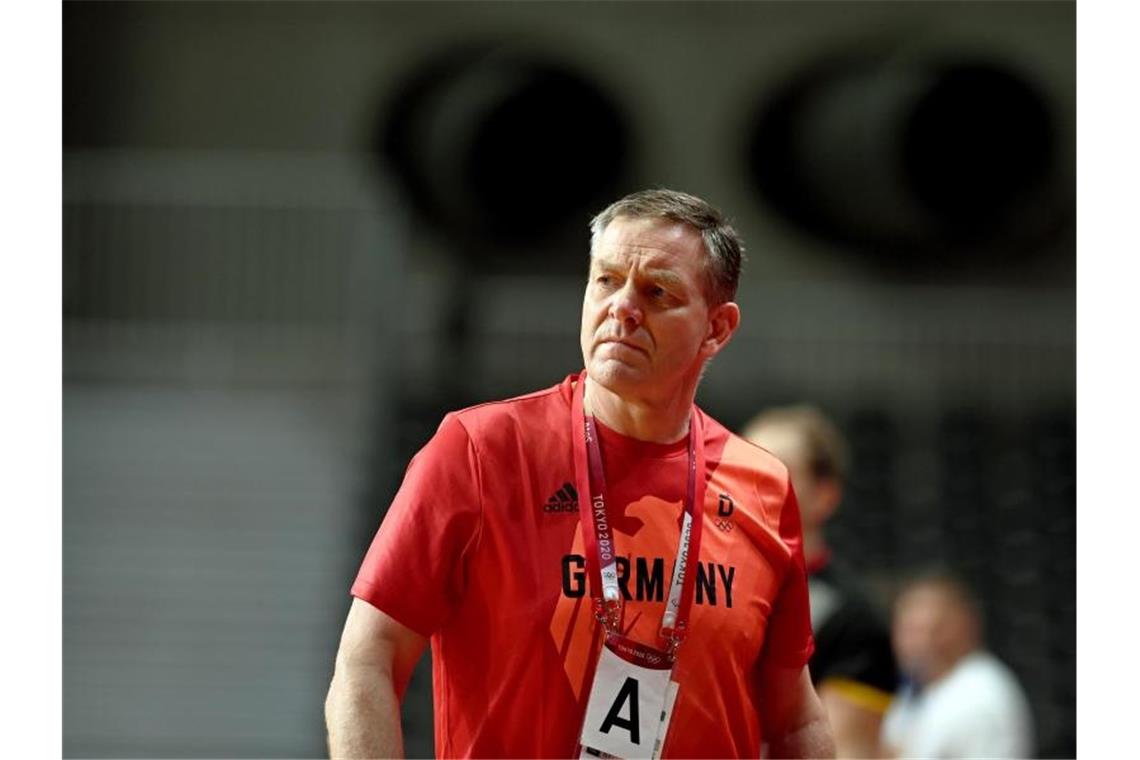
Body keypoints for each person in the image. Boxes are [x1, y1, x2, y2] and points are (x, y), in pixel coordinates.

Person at [324, 189, 836, 759]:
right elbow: (367, 658)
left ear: (716, 329)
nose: (622, 306)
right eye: (606, 280)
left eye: (657, 291)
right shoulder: (480, 451)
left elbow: (795, 722)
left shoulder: (761, 485)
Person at [742, 407, 900, 759]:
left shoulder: (853, 618)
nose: (751, 485)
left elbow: (848, 751)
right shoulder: (713, 584)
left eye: (775, 471)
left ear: (825, 495)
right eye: (745, 467)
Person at [880, 570, 1034, 759]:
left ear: (968, 626)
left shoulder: (980, 693)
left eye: (937, 629)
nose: (922, 642)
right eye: (911, 630)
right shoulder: (915, 686)